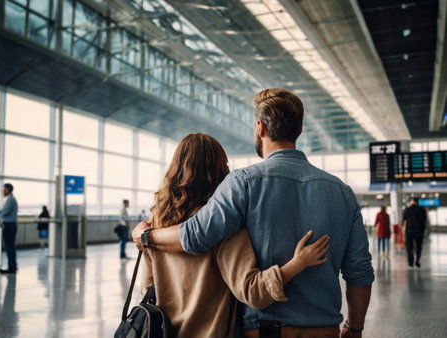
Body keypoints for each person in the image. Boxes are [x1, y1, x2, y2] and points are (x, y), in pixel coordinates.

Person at [133, 88, 374, 337]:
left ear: (260, 127)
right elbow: (360, 271)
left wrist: (147, 236)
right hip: (324, 329)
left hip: (264, 330)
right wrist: (354, 327)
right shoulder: (343, 193)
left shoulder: (243, 184)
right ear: (299, 130)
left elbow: (196, 236)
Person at [141, 133, 329, 337]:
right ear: (220, 171)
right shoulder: (222, 227)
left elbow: (149, 289)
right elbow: (253, 292)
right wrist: (297, 263)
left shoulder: (155, 227)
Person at [0, 183, 19, 274]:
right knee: (10, 247)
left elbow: (4, 211)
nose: (2, 191)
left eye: (4, 189)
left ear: (8, 190)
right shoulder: (10, 199)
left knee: (9, 247)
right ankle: (12, 266)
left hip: (9, 226)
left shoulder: (10, 200)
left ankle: (11, 268)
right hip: (10, 225)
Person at [403, 198, 427, 268]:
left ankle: (410, 262)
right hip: (419, 231)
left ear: (411, 201)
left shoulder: (407, 209)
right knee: (418, 246)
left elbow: (404, 219)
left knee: (409, 247)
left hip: (409, 231)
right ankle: (417, 261)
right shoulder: (422, 209)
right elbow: (424, 220)